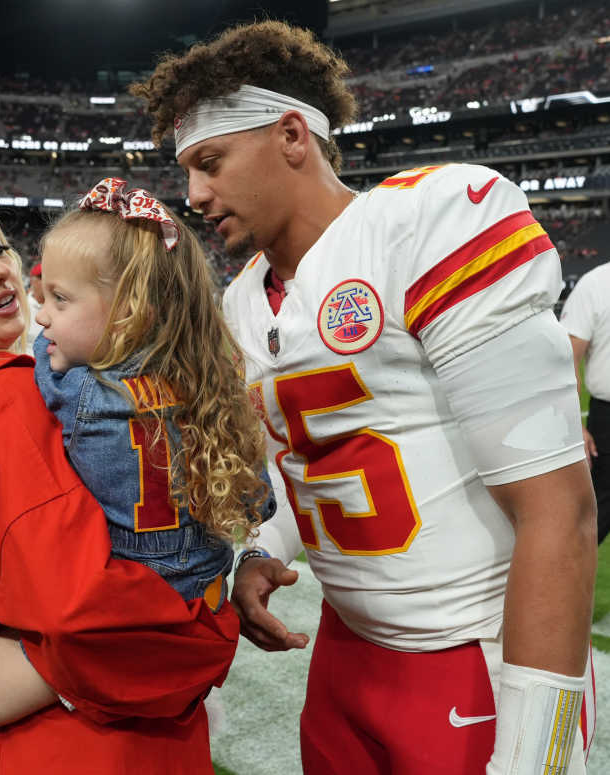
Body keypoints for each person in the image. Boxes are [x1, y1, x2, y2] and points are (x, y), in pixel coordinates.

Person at [132, 21, 597, 775]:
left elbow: (559, 509)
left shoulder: (429, 223)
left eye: (209, 162)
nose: (194, 194)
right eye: (187, 169)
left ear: (291, 135)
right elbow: (299, 461)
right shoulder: (245, 302)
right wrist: (261, 550)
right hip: (349, 654)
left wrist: (534, 746)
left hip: (471, 649)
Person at [0, 205, 240, 773]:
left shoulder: (59, 375)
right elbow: (101, 622)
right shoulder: (10, 396)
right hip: (84, 743)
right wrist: (213, 615)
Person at [32, 177, 274, 607]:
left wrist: (50, 351)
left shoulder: (79, 389)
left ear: (127, 314)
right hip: (208, 594)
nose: (43, 317)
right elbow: (262, 503)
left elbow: (34, 369)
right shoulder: (213, 383)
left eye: (59, 299)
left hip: (126, 598)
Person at [561, 261, 610, 545]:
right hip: (606, 420)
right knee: (591, 522)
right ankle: (557, 588)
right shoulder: (596, 283)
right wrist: (573, 423)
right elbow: (567, 359)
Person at [25, 260, 43, 355]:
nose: (45, 281)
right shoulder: (21, 306)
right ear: (32, 280)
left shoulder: (60, 307)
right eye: (40, 277)